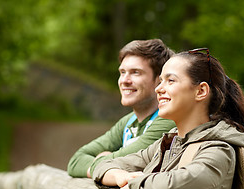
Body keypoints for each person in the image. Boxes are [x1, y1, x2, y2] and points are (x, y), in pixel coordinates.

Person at [92, 48, 244, 189]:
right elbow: (101, 166)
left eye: (170, 80)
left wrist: (135, 182)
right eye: (160, 80)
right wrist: (120, 176)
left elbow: (176, 186)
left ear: (201, 91)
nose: (159, 88)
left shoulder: (219, 148)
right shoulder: (169, 143)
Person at [67, 39, 176, 178]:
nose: (124, 80)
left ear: (159, 80)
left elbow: (122, 161)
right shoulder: (128, 122)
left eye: (135, 72)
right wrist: (106, 168)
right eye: (122, 72)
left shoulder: (169, 119)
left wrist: (100, 160)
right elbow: (75, 161)